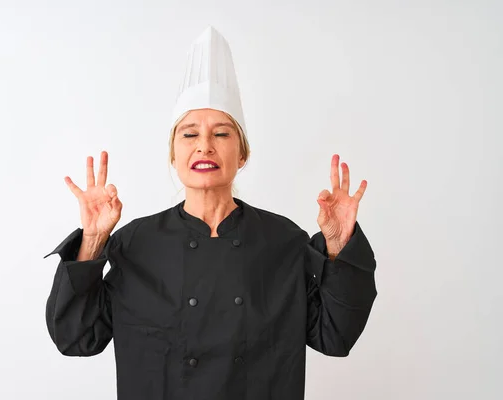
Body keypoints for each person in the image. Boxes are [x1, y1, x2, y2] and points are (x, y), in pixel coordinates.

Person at [44, 26, 377, 400]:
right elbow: (76, 337)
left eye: (221, 134)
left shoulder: (283, 241)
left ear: (243, 153)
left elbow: (335, 335)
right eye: (189, 135)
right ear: (173, 154)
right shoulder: (136, 244)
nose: (204, 146)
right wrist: (92, 241)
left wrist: (338, 247)